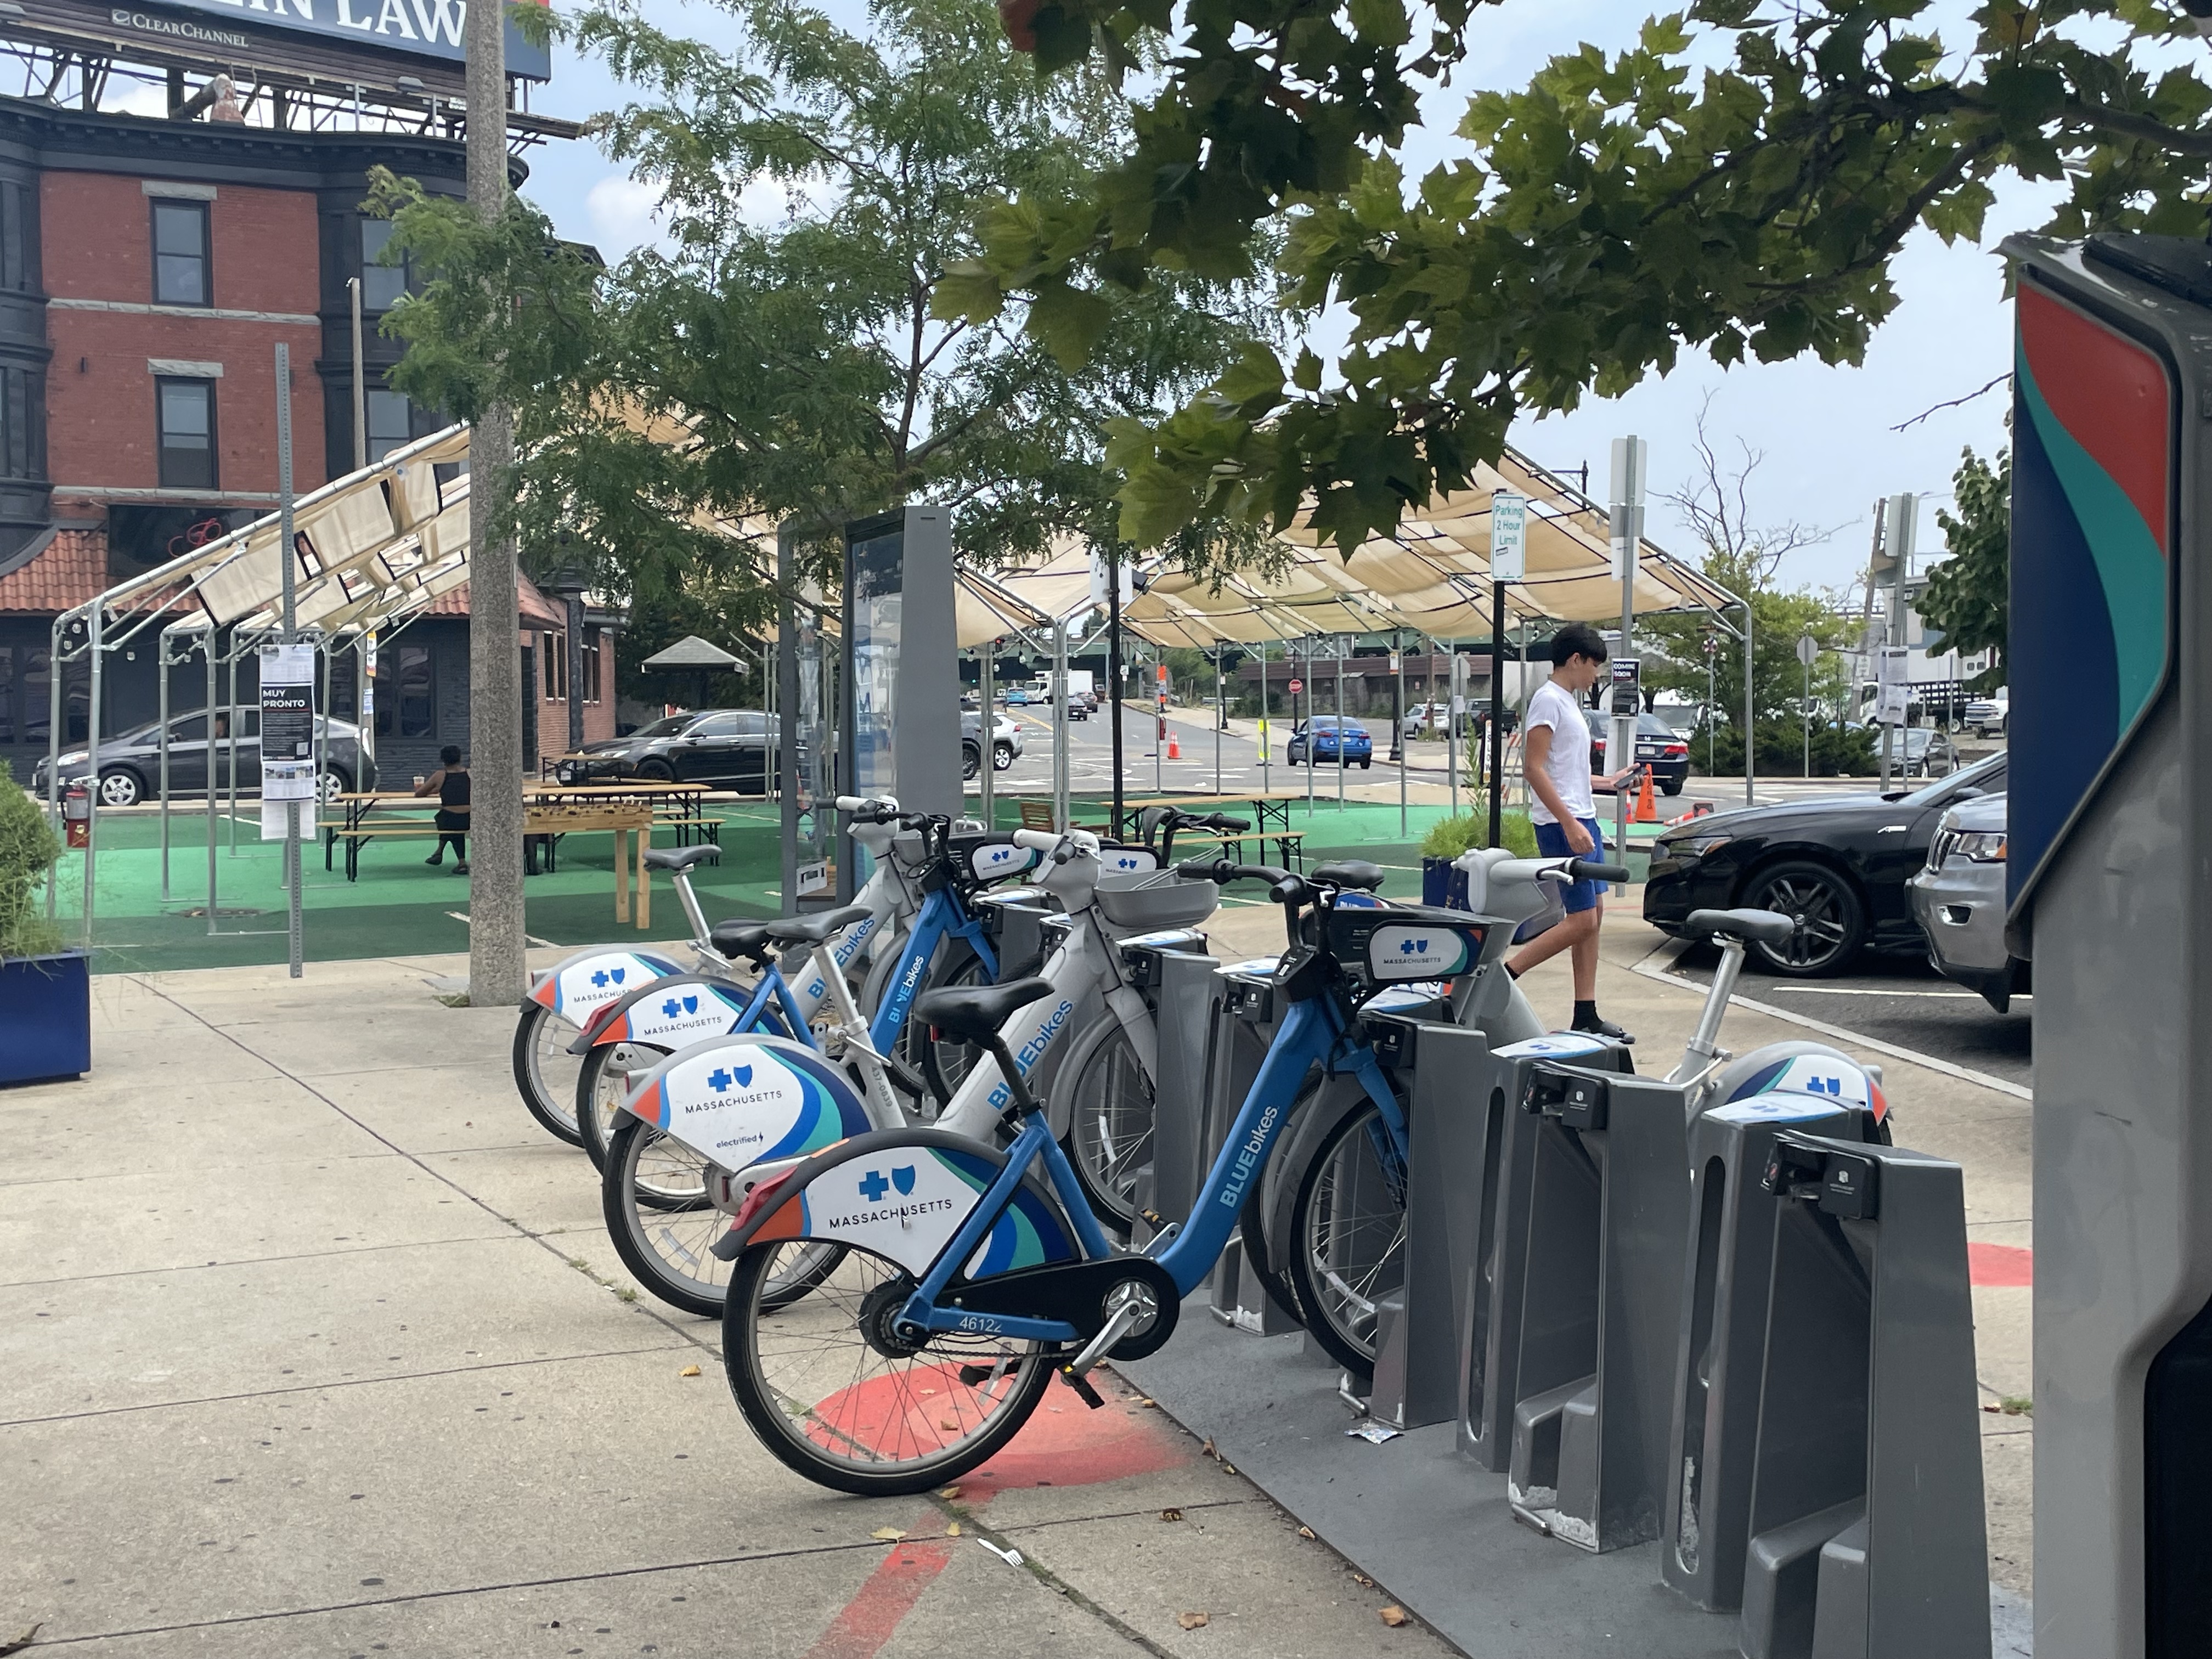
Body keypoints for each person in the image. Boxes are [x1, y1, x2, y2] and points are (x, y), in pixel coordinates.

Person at [1505, 623, 1640, 1040]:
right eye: (1594, 666)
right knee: (1582, 921)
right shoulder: (1548, 701)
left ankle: (1586, 1011)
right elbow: (1533, 768)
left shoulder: (1566, 702)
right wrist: (1569, 823)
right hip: (1565, 824)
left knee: (1593, 917)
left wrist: (1610, 781)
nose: (1596, 676)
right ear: (1575, 659)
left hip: (1584, 817)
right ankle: (1505, 974)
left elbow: (1567, 772)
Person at [415, 745, 470, 874]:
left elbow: (419, 793)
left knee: (446, 821)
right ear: (460, 758)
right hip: (470, 817)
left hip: (449, 819)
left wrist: (435, 790)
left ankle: (460, 863)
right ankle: (439, 853)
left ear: (443, 759)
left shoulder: (440, 775)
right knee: (452, 824)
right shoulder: (470, 773)